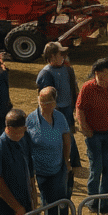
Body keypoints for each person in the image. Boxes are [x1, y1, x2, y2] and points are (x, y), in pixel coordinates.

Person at [26, 88, 72, 215]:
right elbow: (26, 145)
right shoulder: (31, 120)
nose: (42, 105)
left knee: (59, 201)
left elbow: (67, 140)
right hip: (41, 171)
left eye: (45, 102)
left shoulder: (59, 117)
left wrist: (66, 161)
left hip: (58, 167)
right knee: (49, 205)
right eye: (40, 101)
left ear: (53, 103)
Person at [76, 58, 108, 215]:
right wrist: (84, 127)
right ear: (98, 73)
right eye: (107, 73)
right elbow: (79, 108)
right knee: (96, 168)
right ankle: (93, 201)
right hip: (93, 134)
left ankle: (104, 204)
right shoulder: (87, 88)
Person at [36, 42, 80, 170]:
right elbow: (46, 97)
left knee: (69, 134)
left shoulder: (67, 69)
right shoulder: (46, 74)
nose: (64, 56)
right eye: (61, 54)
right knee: (60, 137)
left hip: (67, 108)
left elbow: (73, 88)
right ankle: (65, 162)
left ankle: (74, 161)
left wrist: (75, 104)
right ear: (53, 56)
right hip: (56, 110)